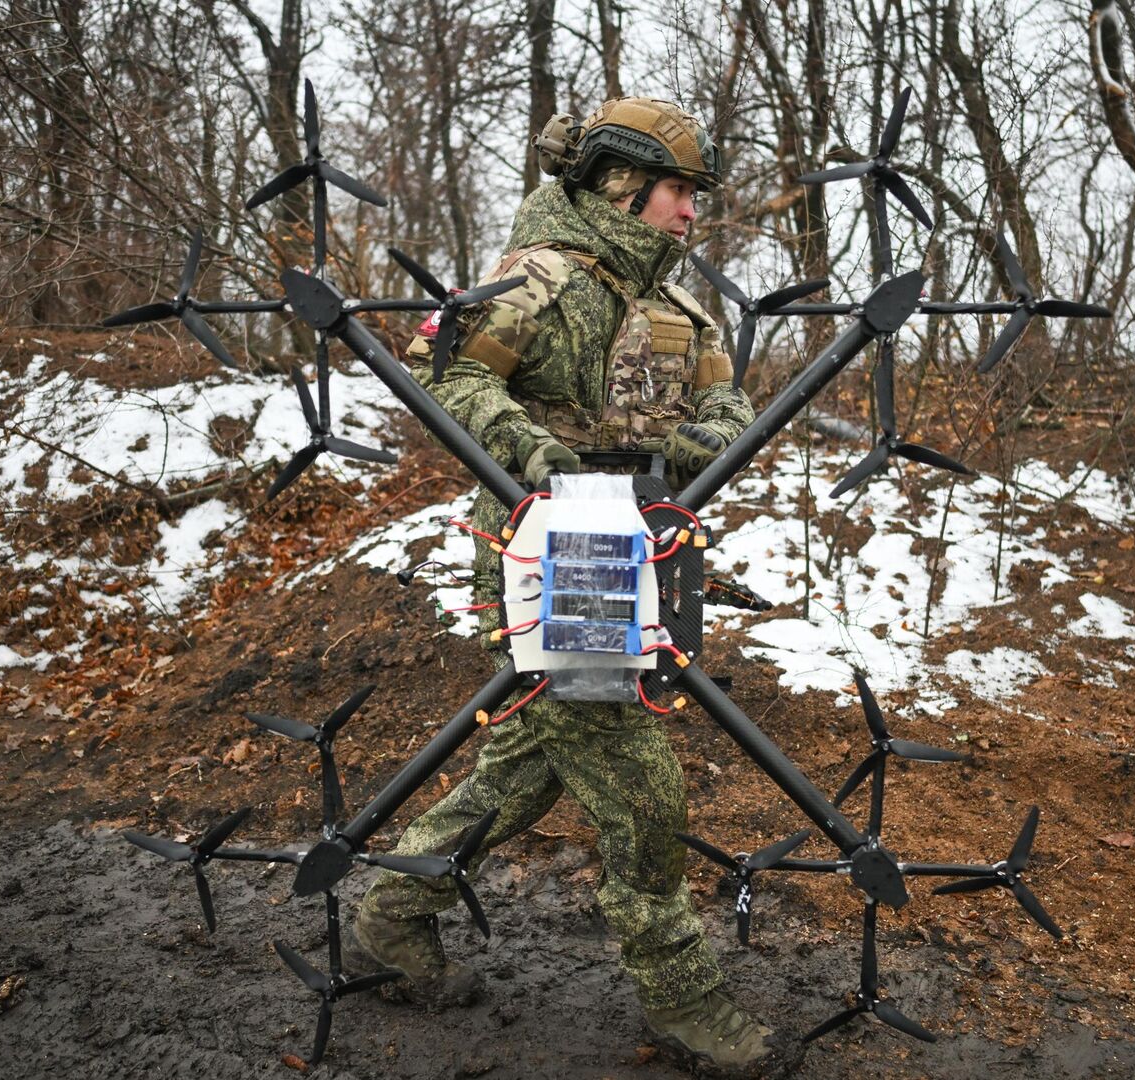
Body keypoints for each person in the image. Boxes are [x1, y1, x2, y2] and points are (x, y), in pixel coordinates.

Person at [349, 97, 795, 1076]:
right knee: (636, 775)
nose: (691, 212)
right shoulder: (537, 280)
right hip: (550, 551)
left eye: (695, 195)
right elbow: (443, 373)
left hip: (646, 546)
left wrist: (715, 432)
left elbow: (723, 390)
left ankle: (389, 912)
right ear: (622, 185)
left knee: (539, 760)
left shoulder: (680, 299)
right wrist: (532, 453)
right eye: (679, 191)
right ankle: (685, 998)